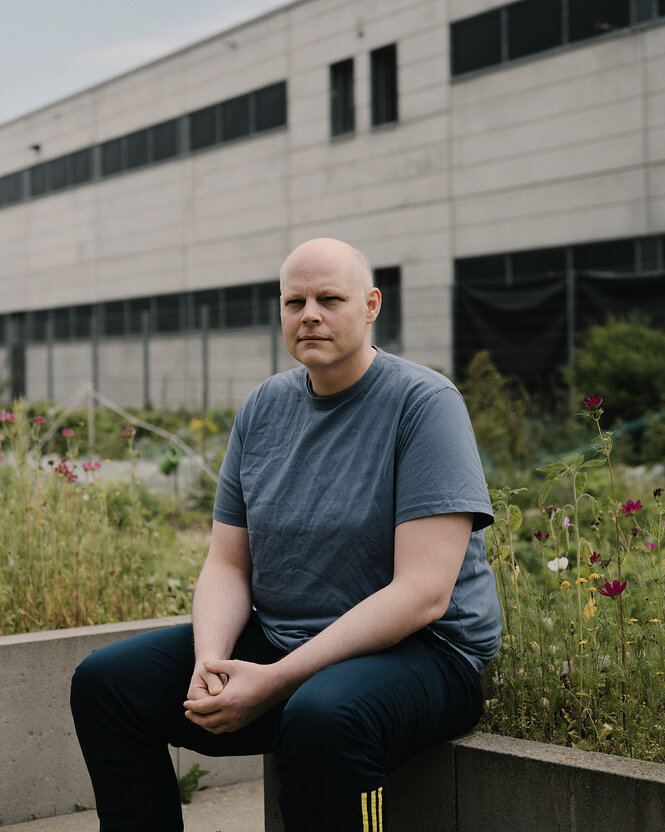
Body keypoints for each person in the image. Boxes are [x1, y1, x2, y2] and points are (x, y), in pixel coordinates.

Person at [71, 237, 502, 832]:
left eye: (330, 298)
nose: (310, 316)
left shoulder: (424, 404)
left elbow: (423, 593)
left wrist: (274, 682)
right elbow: (227, 564)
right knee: (107, 684)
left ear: (371, 305)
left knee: (324, 718)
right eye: (294, 302)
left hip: (425, 655)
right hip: (284, 642)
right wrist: (211, 661)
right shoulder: (263, 408)